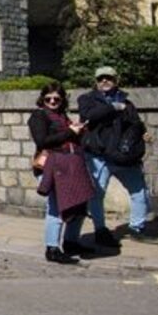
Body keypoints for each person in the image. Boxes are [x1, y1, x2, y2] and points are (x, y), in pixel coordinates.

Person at [78, 66, 157, 245]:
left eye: (109, 78)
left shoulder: (127, 102)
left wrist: (143, 134)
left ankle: (137, 228)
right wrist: (113, 107)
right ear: (96, 82)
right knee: (97, 194)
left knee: (140, 192)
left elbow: (135, 123)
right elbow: (89, 115)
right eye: (101, 79)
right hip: (99, 155)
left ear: (116, 80)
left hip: (124, 156)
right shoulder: (87, 99)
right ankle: (100, 230)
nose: (105, 81)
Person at [29, 81, 93, 264]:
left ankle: (71, 242)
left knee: (79, 204)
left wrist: (78, 131)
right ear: (42, 99)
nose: (52, 101)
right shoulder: (38, 116)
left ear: (62, 100)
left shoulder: (63, 116)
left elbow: (71, 139)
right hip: (52, 166)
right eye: (48, 98)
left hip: (71, 165)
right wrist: (70, 132)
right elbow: (42, 141)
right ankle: (52, 248)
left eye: (56, 98)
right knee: (57, 207)